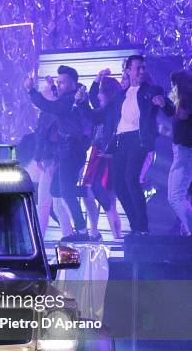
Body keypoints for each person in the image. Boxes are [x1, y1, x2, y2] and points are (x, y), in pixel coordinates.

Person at [91, 56, 175, 235]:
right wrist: (84, 100)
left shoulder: (151, 90)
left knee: (131, 178)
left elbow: (169, 110)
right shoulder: (121, 95)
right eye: (138, 68)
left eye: (144, 68)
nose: (142, 71)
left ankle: (142, 227)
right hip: (121, 141)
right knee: (119, 184)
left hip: (138, 140)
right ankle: (135, 225)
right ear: (128, 70)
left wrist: (164, 103)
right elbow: (99, 113)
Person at [24, 65, 92, 241]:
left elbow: (48, 105)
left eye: (62, 82)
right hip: (65, 151)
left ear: (73, 83)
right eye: (57, 83)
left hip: (71, 151)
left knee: (66, 191)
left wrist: (31, 90)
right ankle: (72, 231)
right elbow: (54, 101)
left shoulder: (70, 100)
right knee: (56, 191)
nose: (58, 85)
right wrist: (51, 86)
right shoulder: (69, 98)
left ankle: (82, 231)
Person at [85, 73, 123, 240]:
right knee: (91, 192)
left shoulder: (113, 111)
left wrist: (111, 152)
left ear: (108, 94)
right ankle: (97, 232)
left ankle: (116, 236)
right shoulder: (104, 109)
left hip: (105, 153)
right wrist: (98, 79)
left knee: (105, 196)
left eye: (101, 92)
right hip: (98, 152)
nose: (98, 96)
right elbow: (94, 98)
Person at [167, 70, 192, 235]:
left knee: (176, 196)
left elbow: (181, 116)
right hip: (182, 149)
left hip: (185, 151)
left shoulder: (185, 100)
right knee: (176, 196)